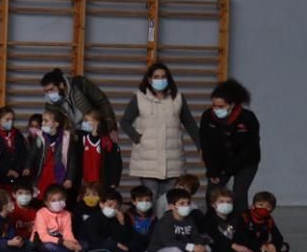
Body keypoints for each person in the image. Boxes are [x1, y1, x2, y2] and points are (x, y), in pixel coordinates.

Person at [119, 62, 200, 210]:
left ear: (168, 79)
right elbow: (124, 122)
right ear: (149, 79)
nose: (160, 79)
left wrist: (200, 145)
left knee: (170, 202)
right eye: (156, 76)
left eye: (163, 76)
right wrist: (137, 138)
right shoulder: (139, 98)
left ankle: (166, 231)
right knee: (150, 201)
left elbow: (190, 124)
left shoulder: (178, 98)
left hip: (173, 160)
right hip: (147, 160)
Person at [199, 79, 261, 208]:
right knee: (212, 194)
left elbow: (251, 147)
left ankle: (240, 225)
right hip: (219, 161)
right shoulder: (207, 117)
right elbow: (206, 145)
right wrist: (212, 170)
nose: (216, 109)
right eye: (214, 106)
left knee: (239, 195)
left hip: (246, 162)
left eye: (221, 107)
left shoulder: (248, 118)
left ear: (232, 105)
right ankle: (213, 225)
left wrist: (229, 169)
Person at [149, 188, 215, 252]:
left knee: (207, 249)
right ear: (171, 207)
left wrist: (201, 246)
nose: (186, 206)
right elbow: (169, 242)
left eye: (188, 203)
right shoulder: (166, 220)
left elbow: (196, 237)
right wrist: (192, 248)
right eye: (182, 203)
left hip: (184, 249)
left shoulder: (189, 219)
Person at [40, 68, 117, 136]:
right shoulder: (50, 104)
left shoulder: (81, 84)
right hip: (73, 136)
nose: (49, 94)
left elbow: (102, 102)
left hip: (94, 131)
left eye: (51, 89)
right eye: (46, 91)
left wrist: (111, 127)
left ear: (61, 85)